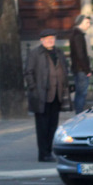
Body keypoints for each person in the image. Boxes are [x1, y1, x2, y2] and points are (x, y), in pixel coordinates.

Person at [25, 29, 69, 163]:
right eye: (47, 38)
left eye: (52, 38)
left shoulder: (59, 53)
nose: (50, 40)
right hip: (41, 95)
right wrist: (34, 88)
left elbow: (65, 69)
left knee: (52, 125)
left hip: (56, 95)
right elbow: (28, 72)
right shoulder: (35, 53)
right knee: (42, 126)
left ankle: (49, 151)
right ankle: (43, 153)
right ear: (41, 40)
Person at [67, 14, 92, 113]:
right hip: (80, 69)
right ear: (80, 23)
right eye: (87, 22)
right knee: (82, 93)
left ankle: (79, 112)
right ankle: (79, 113)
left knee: (80, 92)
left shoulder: (77, 34)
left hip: (79, 68)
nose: (89, 25)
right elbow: (80, 54)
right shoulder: (78, 35)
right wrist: (87, 70)